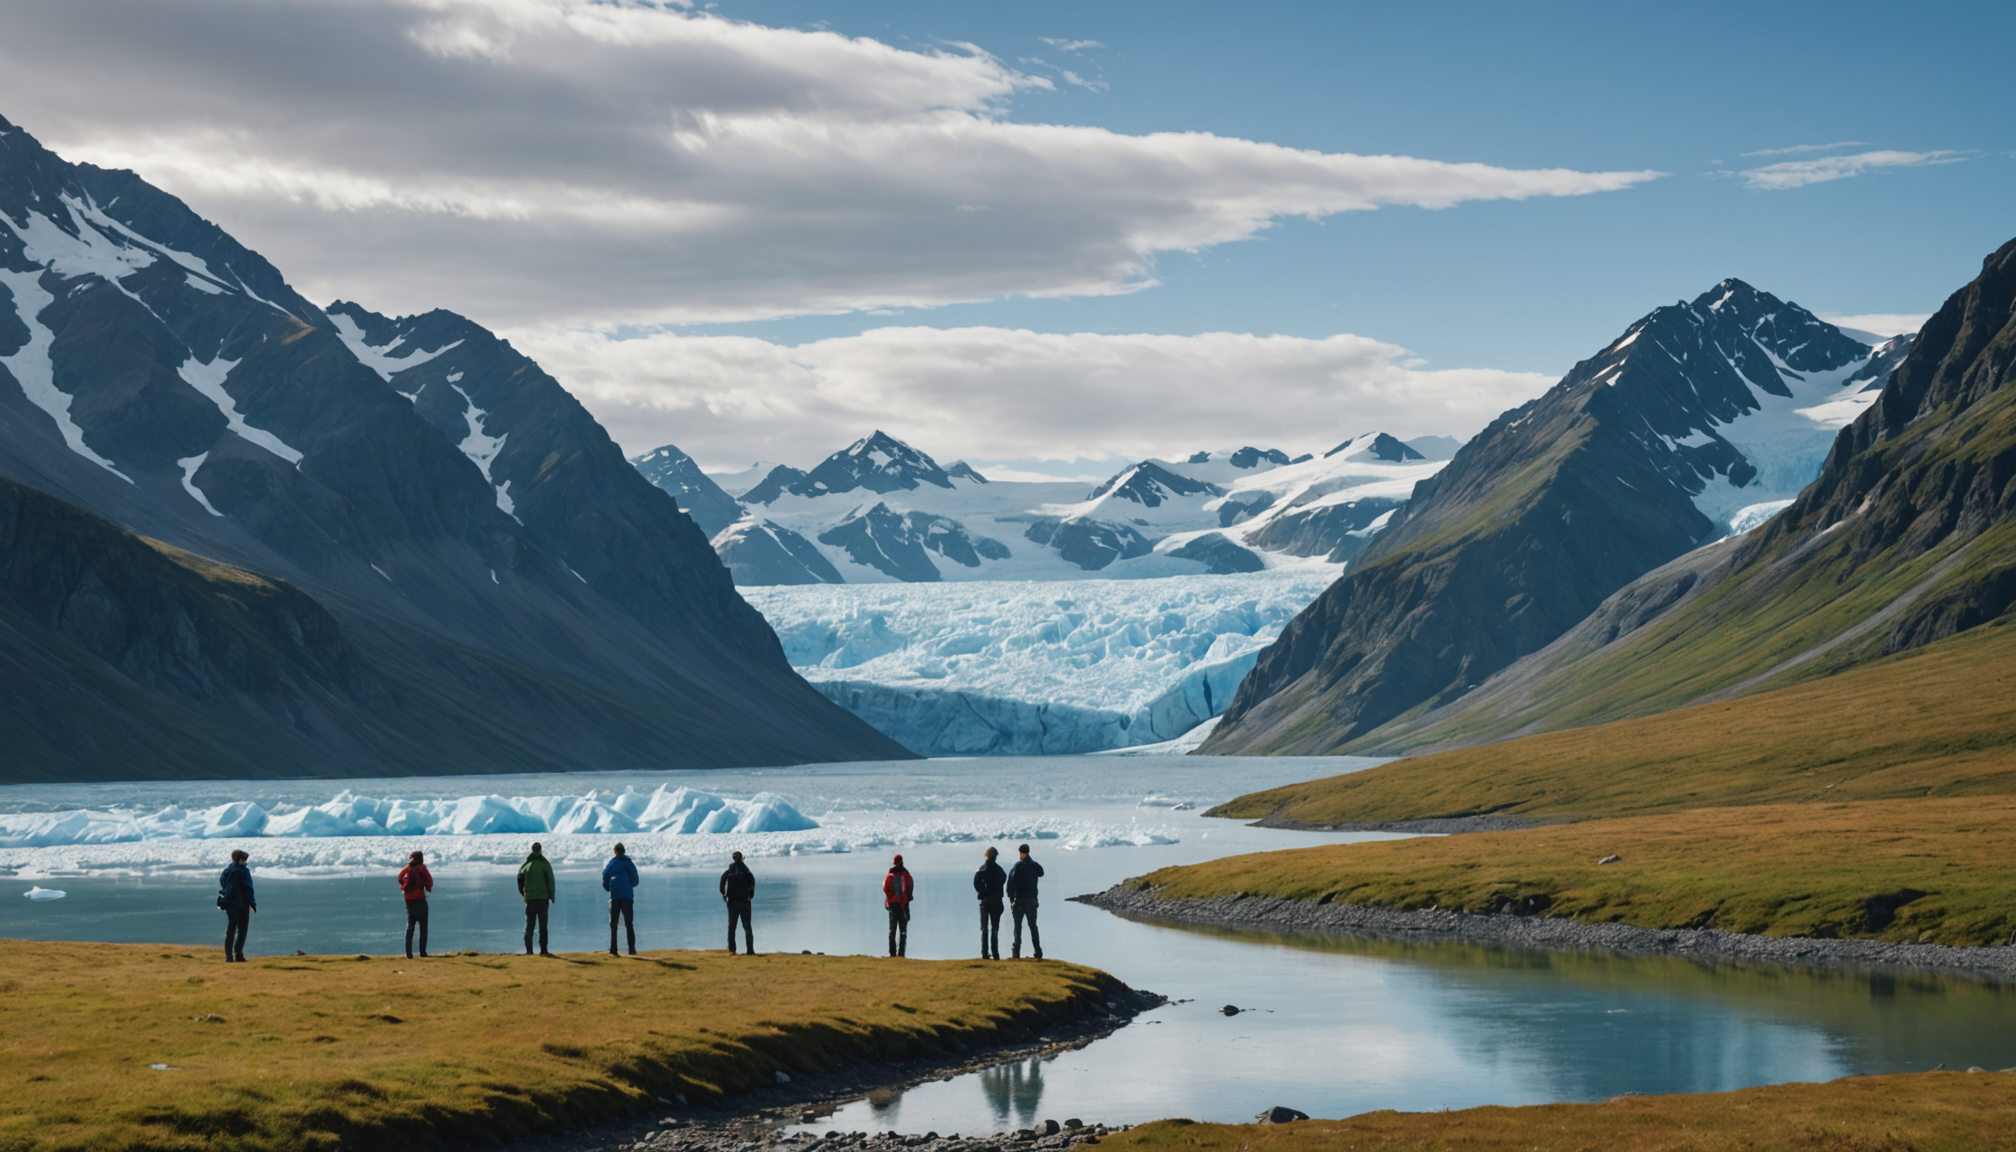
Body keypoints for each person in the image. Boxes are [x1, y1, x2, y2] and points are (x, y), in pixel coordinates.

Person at [1006, 842, 1045, 960]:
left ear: (1023, 853)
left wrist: (1012, 900)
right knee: (1033, 926)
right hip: (1032, 901)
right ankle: (1038, 952)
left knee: (1017, 927)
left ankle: (1016, 952)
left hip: (1019, 901)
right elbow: (1041, 872)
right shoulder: (1034, 865)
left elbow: (1010, 885)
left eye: (1020, 853)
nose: (1020, 855)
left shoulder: (1017, 867)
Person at [518, 842, 556, 956]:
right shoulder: (545, 864)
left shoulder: (527, 864)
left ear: (532, 850)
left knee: (529, 926)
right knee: (543, 926)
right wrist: (551, 896)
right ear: (540, 850)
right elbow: (551, 881)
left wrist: (524, 894)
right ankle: (543, 950)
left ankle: (529, 951)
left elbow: (519, 879)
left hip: (530, 900)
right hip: (543, 900)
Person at [217, 849, 256, 963]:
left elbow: (223, 882)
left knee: (232, 929)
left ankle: (230, 956)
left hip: (232, 904)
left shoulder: (229, 870)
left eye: (245, 859)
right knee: (241, 930)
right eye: (242, 858)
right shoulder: (239, 871)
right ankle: (237, 955)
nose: (244, 861)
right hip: (240, 904)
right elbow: (245, 888)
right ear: (237, 859)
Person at [603, 842, 640, 957]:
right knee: (629, 923)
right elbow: (635, 880)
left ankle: (614, 949)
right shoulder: (629, 864)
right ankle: (632, 949)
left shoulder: (612, 863)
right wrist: (628, 887)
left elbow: (605, 877)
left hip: (614, 896)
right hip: (627, 897)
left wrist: (609, 889)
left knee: (613, 924)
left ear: (615, 851)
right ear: (624, 851)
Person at [398, 850, 433, 959]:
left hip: (408, 900)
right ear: (421, 858)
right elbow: (430, 881)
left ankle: (409, 953)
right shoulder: (422, 868)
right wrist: (426, 887)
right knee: (423, 926)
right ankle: (422, 952)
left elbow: (400, 878)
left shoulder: (407, 868)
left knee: (410, 926)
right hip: (420, 899)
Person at [973, 846, 1007, 960]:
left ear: (987, 856)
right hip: (996, 901)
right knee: (995, 928)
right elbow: (1002, 881)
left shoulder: (981, 869)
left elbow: (976, 885)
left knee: (984, 928)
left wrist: (983, 892)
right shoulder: (1000, 870)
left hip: (984, 902)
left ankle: (984, 953)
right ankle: (995, 953)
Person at [719, 850, 755, 954]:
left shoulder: (729, 871)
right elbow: (752, 884)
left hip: (732, 902)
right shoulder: (746, 871)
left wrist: (725, 894)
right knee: (747, 926)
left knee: (732, 926)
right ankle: (750, 951)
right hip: (744, 902)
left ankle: (732, 950)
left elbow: (722, 883)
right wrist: (750, 895)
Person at [883, 853, 915, 957]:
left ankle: (892, 954)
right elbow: (910, 890)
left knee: (892, 931)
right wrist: (906, 899)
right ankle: (901, 953)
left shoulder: (889, 877)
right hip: (904, 906)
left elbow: (886, 890)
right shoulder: (907, 876)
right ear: (902, 862)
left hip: (893, 906)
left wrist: (889, 900)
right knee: (903, 931)